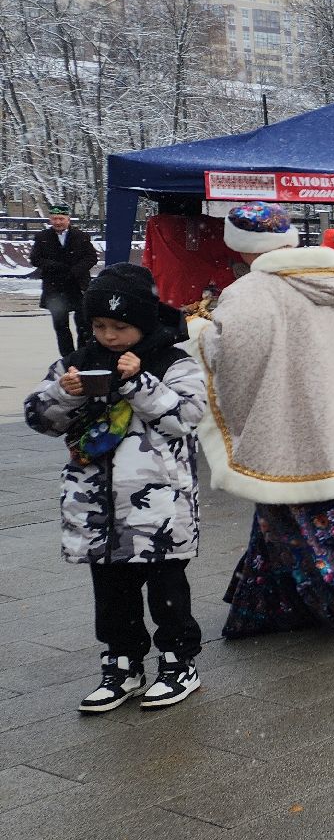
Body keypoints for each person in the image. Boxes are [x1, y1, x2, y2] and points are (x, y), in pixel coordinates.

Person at [193, 203, 334, 638]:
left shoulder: (251, 292)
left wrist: (198, 333)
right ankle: (279, 600)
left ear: (241, 246)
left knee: (292, 519)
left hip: (287, 429)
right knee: (330, 511)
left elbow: (231, 355)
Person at [24, 263, 206, 712]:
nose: (108, 336)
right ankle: (122, 662)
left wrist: (138, 382)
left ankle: (178, 661)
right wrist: (66, 394)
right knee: (111, 594)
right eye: (99, 326)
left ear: (142, 323)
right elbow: (39, 418)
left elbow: (185, 417)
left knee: (166, 589)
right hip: (96, 505)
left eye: (119, 327)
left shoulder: (172, 361)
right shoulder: (77, 364)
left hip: (158, 505)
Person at [31, 203, 98, 358]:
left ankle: (83, 356)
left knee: (84, 325)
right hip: (54, 287)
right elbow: (35, 259)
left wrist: (76, 270)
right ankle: (68, 358)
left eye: (61, 218)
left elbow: (91, 257)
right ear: (50, 220)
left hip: (78, 285)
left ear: (68, 219)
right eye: (54, 219)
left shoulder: (81, 236)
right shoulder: (42, 238)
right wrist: (54, 266)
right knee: (61, 326)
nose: (58, 222)